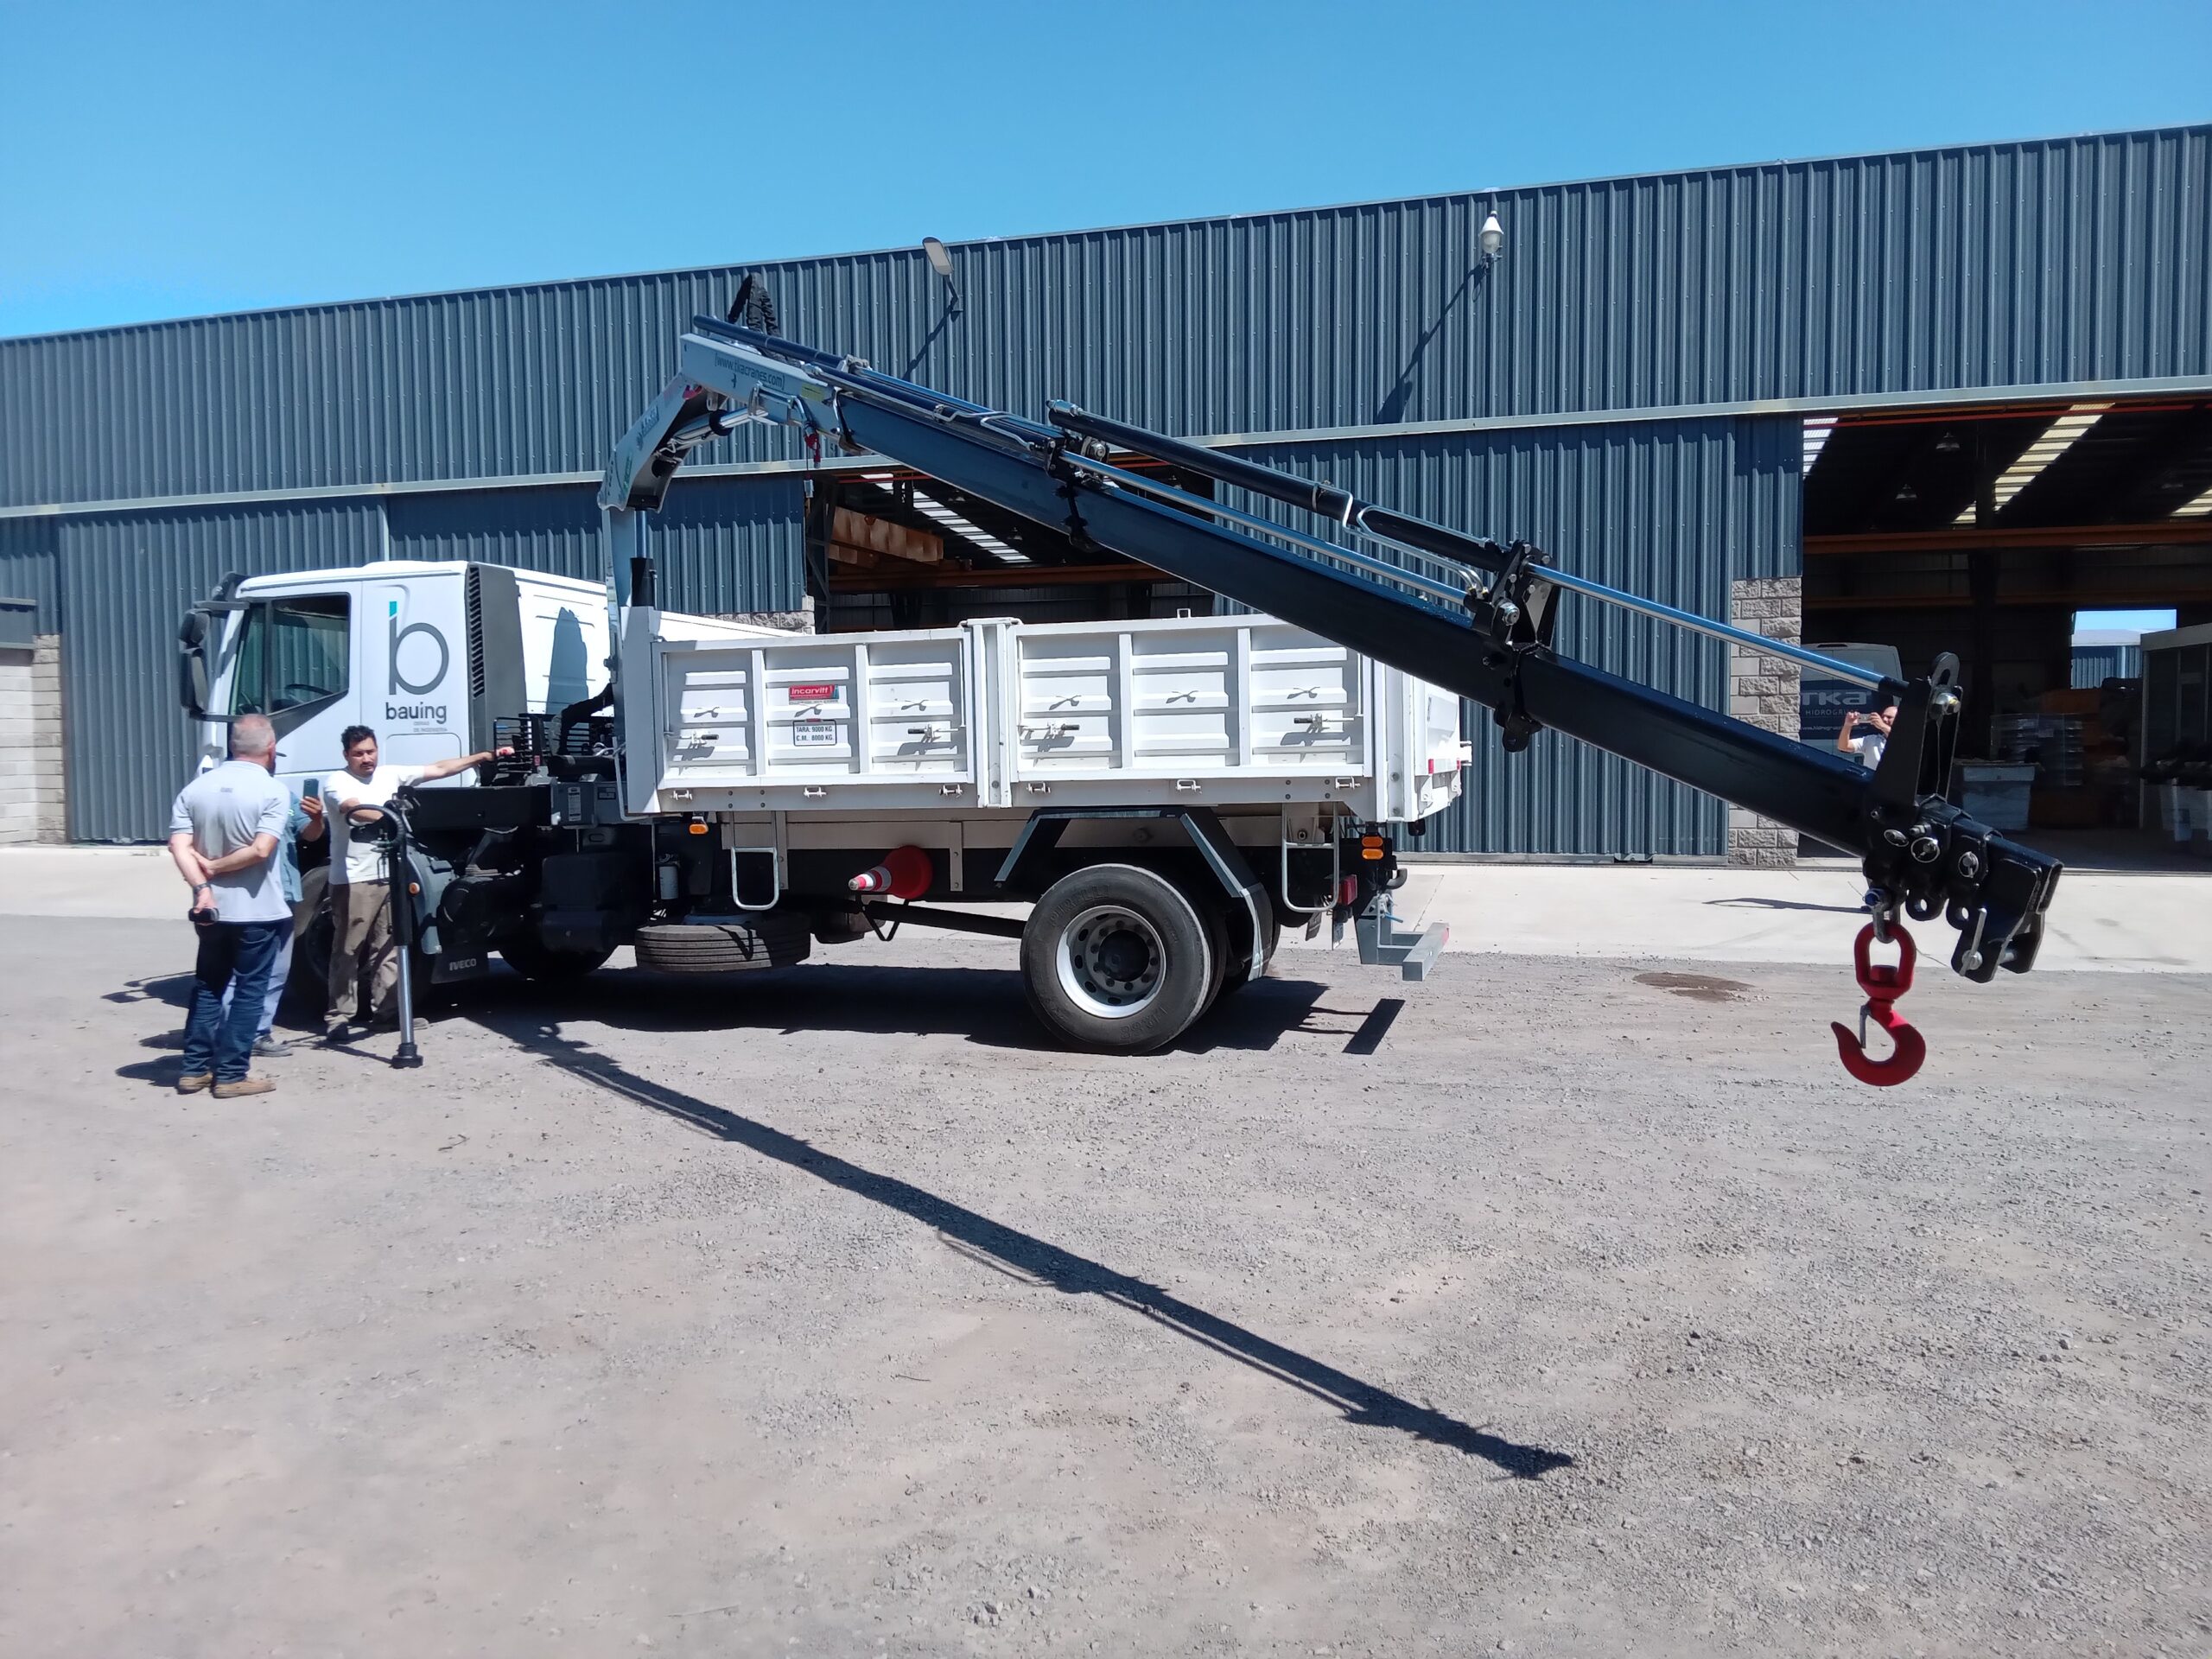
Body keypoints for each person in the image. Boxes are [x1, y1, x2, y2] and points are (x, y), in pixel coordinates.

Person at [321, 725, 505, 1037]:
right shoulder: (337, 781)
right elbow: (352, 808)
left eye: (370, 751)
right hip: (355, 880)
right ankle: (339, 1018)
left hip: (390, 875)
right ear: (346, 755)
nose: (366, 758)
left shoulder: (389, 775)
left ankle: (389, 1014)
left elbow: (440, 769)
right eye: (358, 754)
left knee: (389, 948)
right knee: (349, 950)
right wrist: (391, 817)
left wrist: (483, 757)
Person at [167, 714, 293, 1097]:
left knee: (208, 986)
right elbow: (261, 850)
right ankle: (232, 1074)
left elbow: (177, 845)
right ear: (270, 748)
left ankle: (194, 1069)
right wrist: (218, 866)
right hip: (258, 909)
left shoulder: (195, 789)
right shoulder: (273, 791)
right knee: (250, 992)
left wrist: (203, 884)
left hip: (210, 910)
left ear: (232, 746)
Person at [219, 784, 325, 1057]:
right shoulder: (228, 792)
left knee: (278, 968)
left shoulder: (283, 793)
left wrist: (316, 818)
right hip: (244, 892)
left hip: (283, 893)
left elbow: (310, 834)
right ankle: (229, 1034)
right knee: (242, 968)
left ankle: (258, 1033)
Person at [1837, 702, 1898, 769]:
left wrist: (1882, 726)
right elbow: (1843, 747)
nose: (1884, 719)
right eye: (1883, 717)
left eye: (1889, 717)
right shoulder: (1871, 740)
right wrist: (1847, 725)